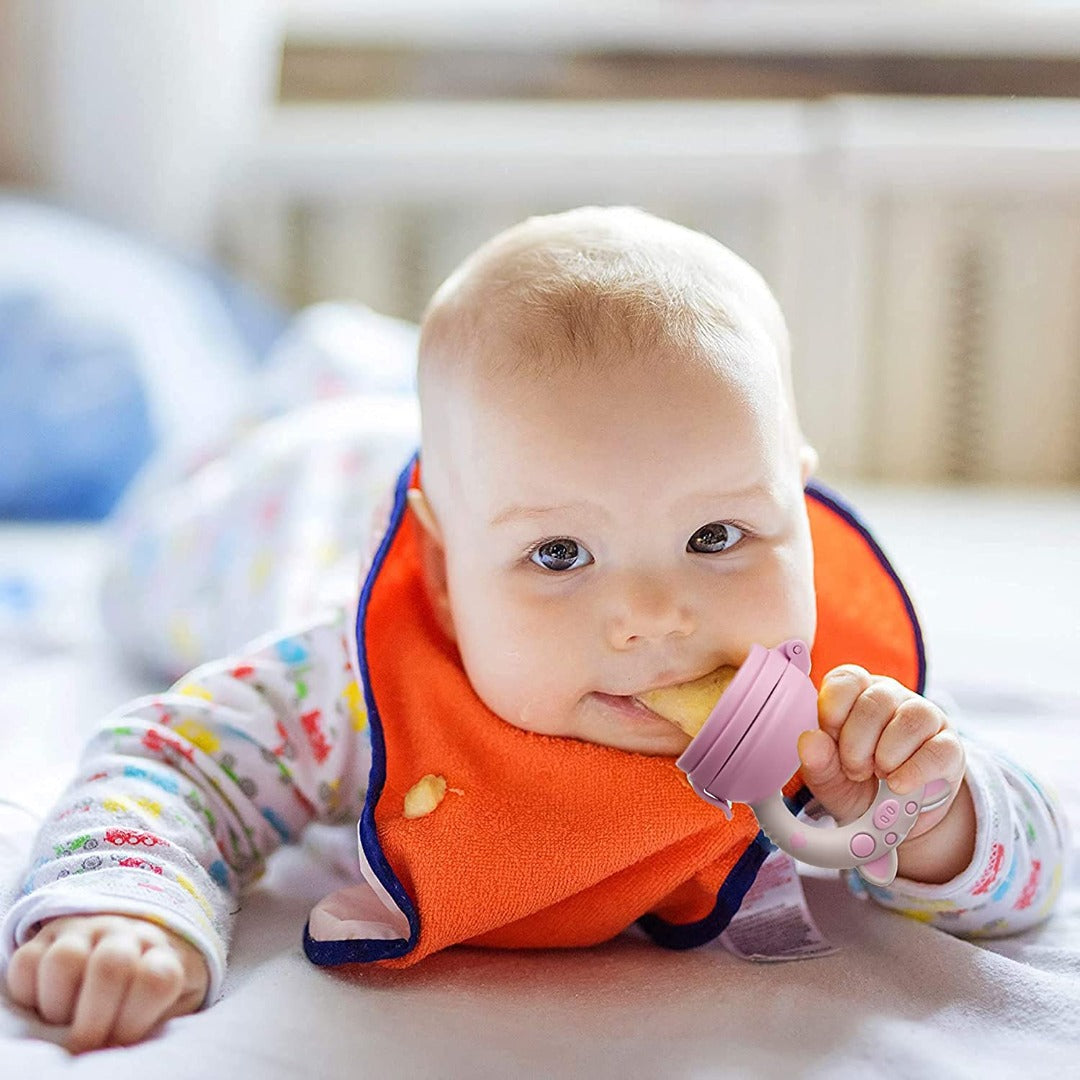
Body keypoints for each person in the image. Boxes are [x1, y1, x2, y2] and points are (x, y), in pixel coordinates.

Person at [2, 207, 1067, 1052]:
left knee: (511, 445)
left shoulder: (825, 693)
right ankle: (324, 376)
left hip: (472, 471)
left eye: (716, 533)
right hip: (291, 505)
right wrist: (130, 903)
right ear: (453, 579)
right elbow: (172, 757)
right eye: (559, 557)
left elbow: (1034, 877)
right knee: (148, 562)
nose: (653, 617)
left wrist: (934, 812)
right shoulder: (353, 684)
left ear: (795, 496)